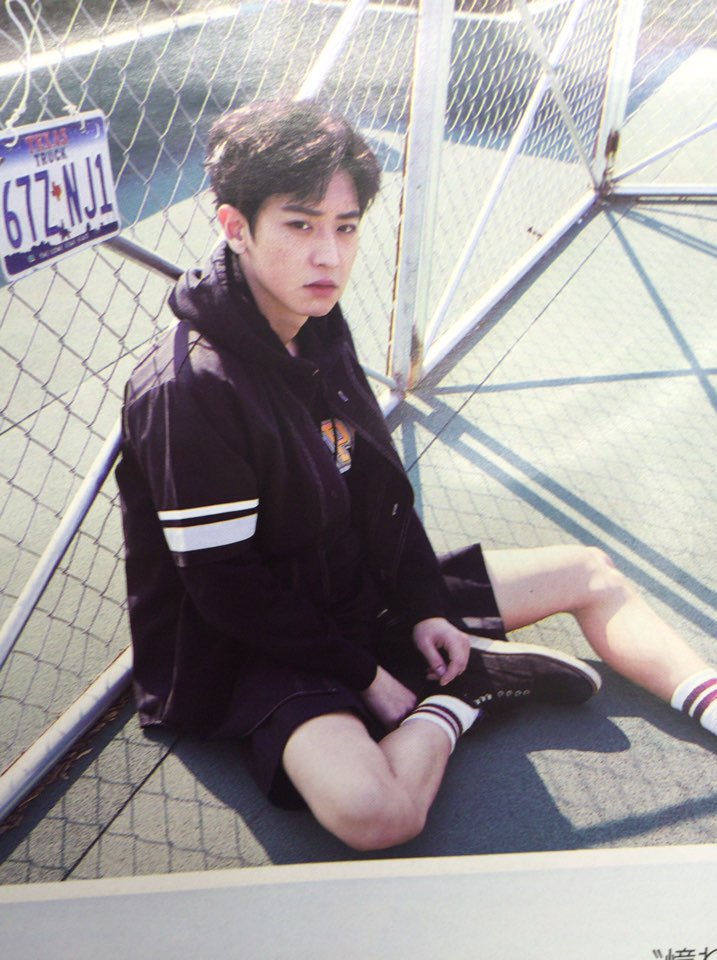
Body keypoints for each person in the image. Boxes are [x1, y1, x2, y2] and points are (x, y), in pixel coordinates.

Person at [116, 99, 717, 852]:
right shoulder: (189, 387)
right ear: (236, 227)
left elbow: (379, 490)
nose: (329, 256)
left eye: (345, 228)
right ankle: (459, 697)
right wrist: (365, 673)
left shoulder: (314, 322)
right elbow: (227, 589)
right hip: (254, 646)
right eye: (300, 226)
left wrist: (424, 603)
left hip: (352, 589)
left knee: (590, 573)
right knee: (378, 815)